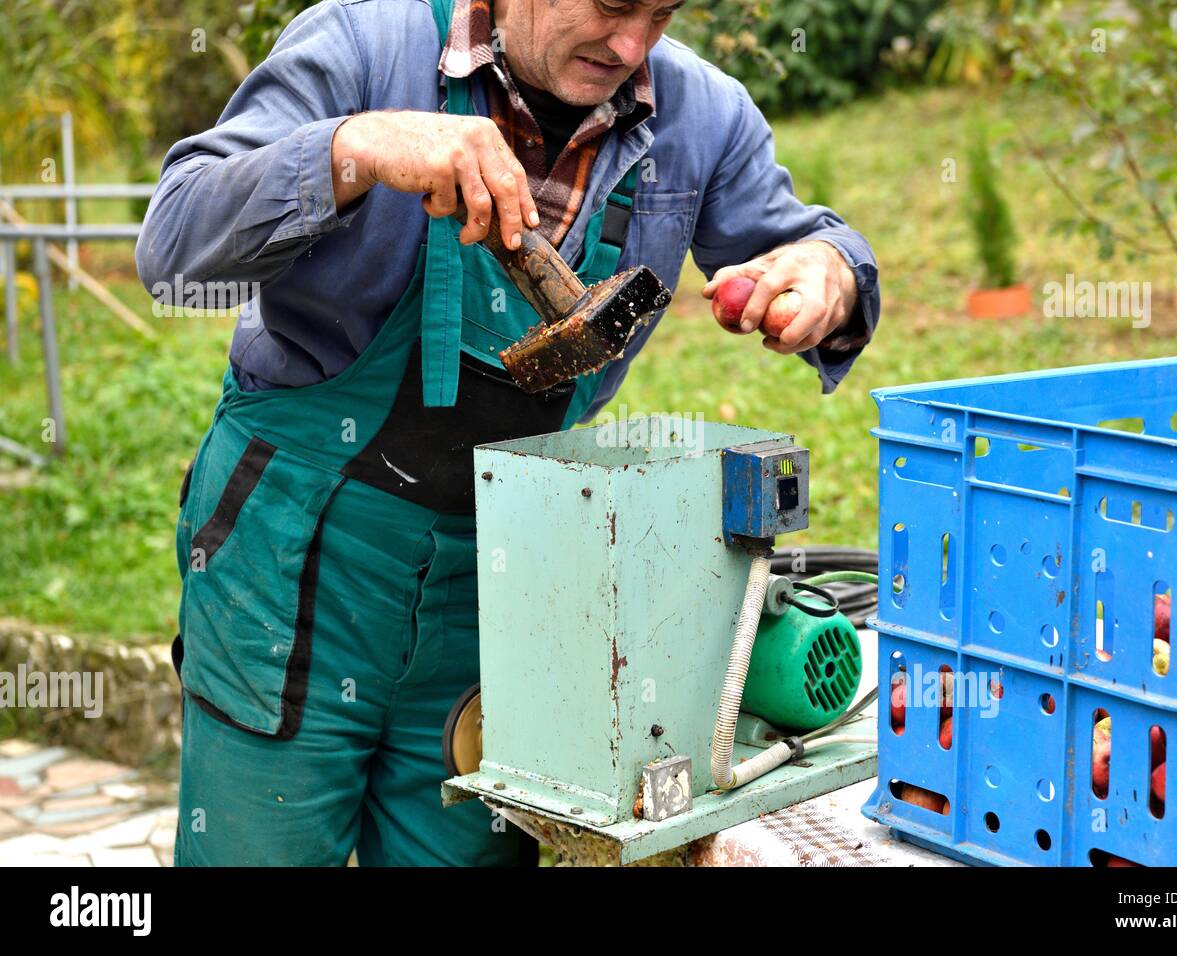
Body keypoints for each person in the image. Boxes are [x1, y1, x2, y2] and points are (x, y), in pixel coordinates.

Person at [135, 0, 881, 866]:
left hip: (507, 583)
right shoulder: (359, 43)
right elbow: (174, 242)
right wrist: (356, 148)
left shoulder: (702, 116)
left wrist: (827, 274)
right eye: (611, 6)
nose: (633, 45)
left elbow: (813, 245)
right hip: (296, 565)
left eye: (662, 12)